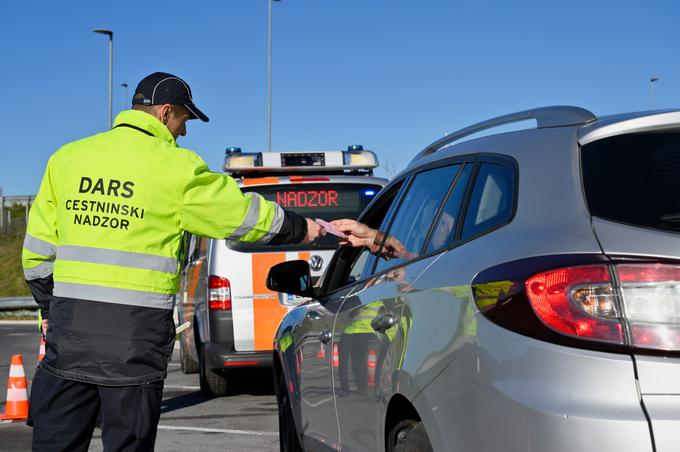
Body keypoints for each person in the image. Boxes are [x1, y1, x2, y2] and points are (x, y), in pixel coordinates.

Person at [22, 72, 333, 452]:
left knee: (54, 443)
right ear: (165, 111)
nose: (183, 132)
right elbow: (243, 217)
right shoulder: (176, 168)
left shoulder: (67, 159)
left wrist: (50, 315)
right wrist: (307, 229)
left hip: (69, 337)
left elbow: (36, 256)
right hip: (133, 346)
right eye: (184, 120)